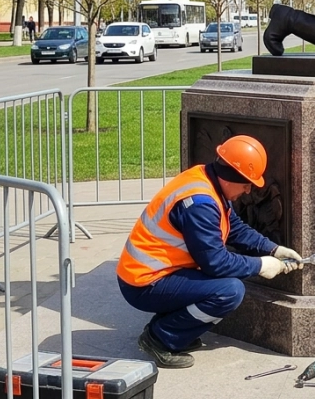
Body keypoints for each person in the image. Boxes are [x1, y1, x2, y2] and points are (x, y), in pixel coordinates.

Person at [116, 135, 305, 369]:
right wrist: (261, 265)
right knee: (229, 291)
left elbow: (233, 227)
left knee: (224, 287)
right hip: (144, 283)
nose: (248, 191)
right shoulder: (200, 204)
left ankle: (172, 326)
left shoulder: (206, 179)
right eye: (247, 183)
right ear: (232, 177)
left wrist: (272, 248)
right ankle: (161, 337)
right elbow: (215, 262)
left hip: (151, 273)